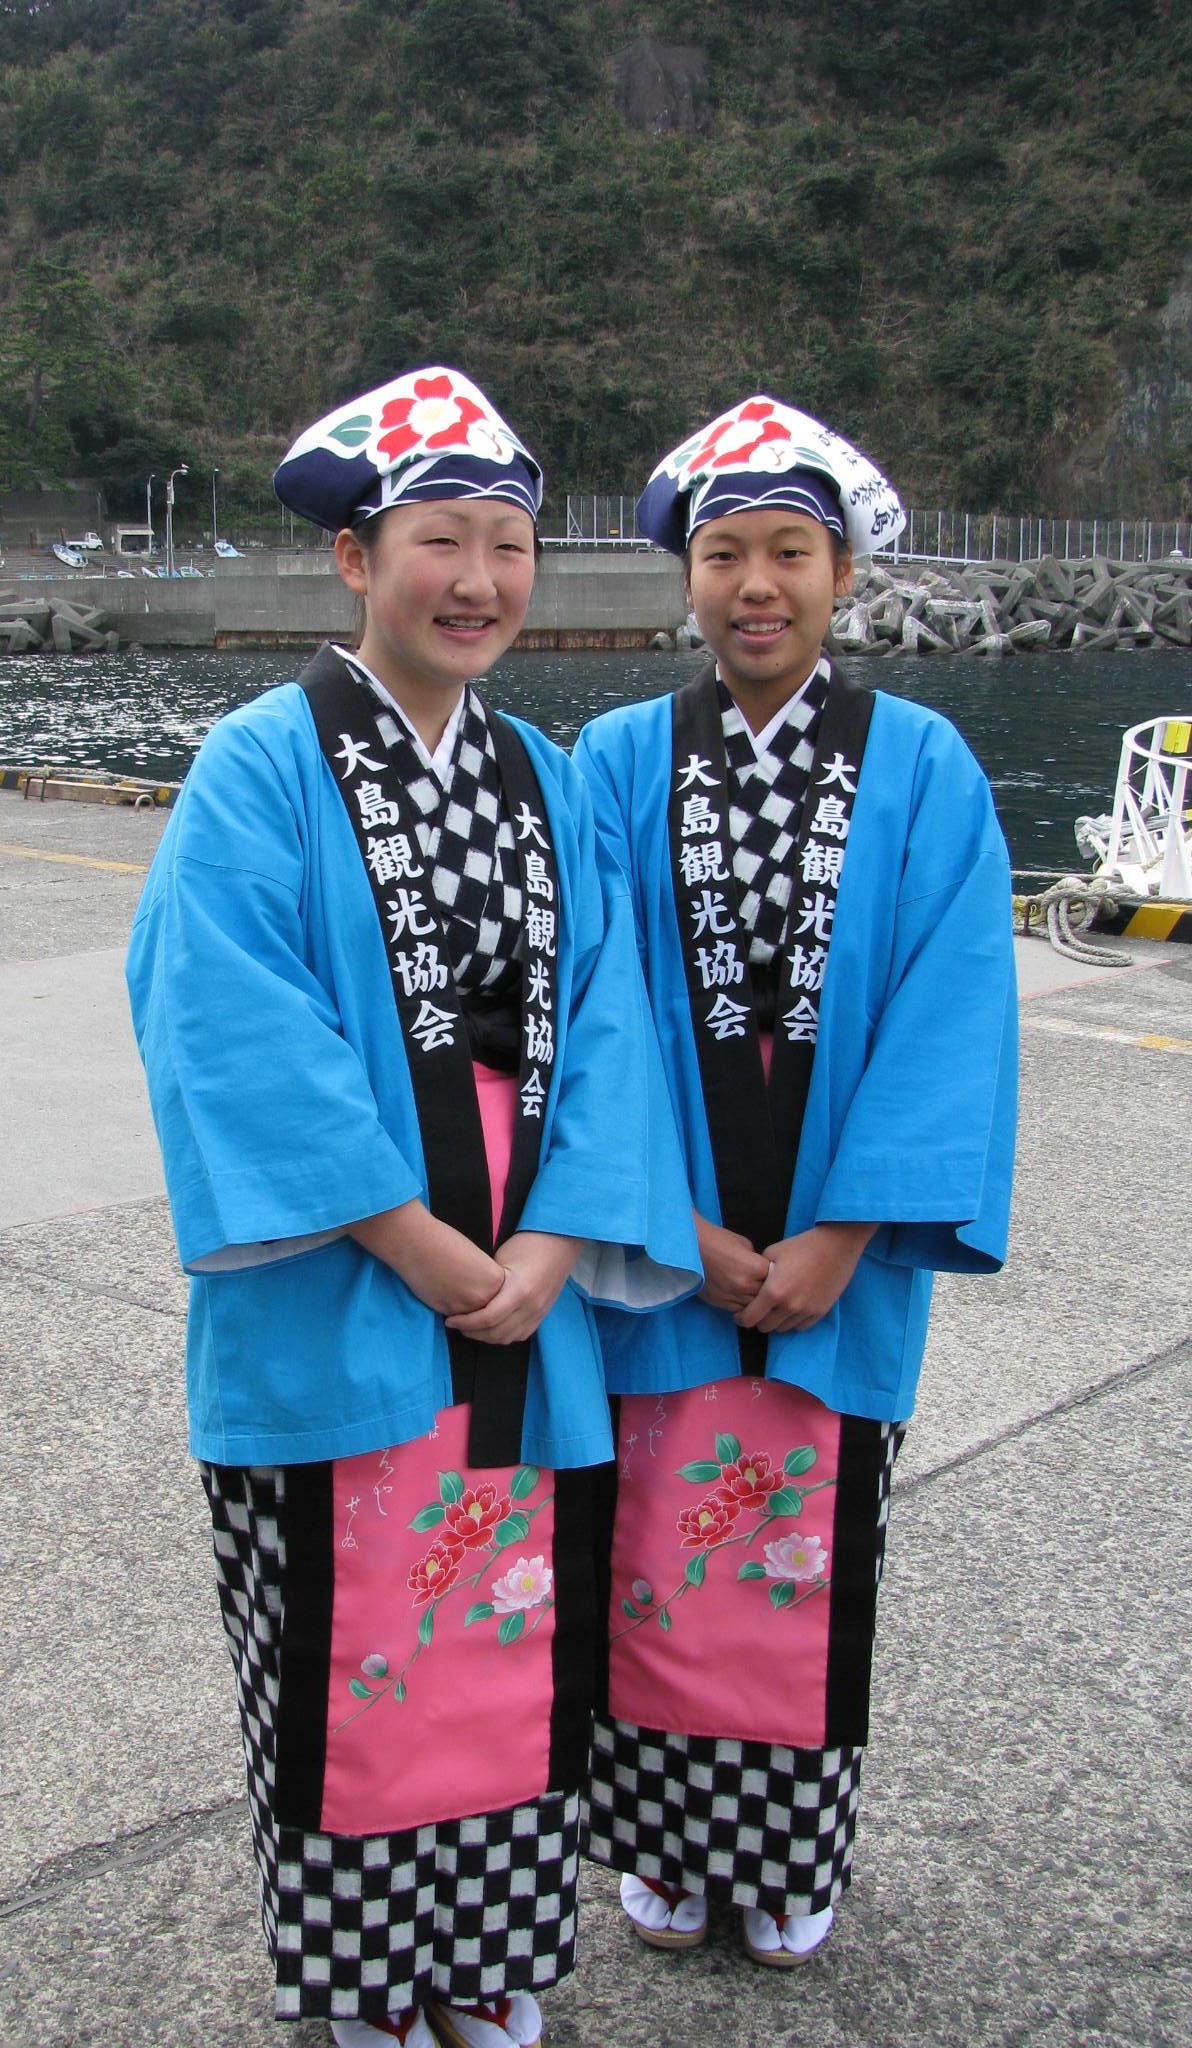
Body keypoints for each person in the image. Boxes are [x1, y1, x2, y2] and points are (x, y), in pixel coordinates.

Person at [126, 367, 698, 2047]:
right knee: (350, 1626)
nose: (478, 580)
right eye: (439, 539)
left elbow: (612, 1024)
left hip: (530, 1280)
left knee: (510, 1623)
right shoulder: (258, 765)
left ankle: (495, 1952)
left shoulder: (548, 776)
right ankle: (375, 1975)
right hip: (354, 1281)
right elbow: (233, 1030)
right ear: (354, 561)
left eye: (507, 546)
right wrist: (426, 1245)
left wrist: (553, 1240)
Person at [573, 395, 1018, 1969]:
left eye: (788, 554)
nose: (755, 586)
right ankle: (666, 1851)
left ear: (843, 577)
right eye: (724, 557)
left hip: (841, 1254)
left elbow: (953, 1010)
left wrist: (844, 1233)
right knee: (648, 1552)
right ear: (686, 580)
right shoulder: (617, 761)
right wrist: (674, 1230)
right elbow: (590, 1009)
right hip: (670, 1255)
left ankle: (788, 1857)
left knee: (811, 1553)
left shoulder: (925, 762)